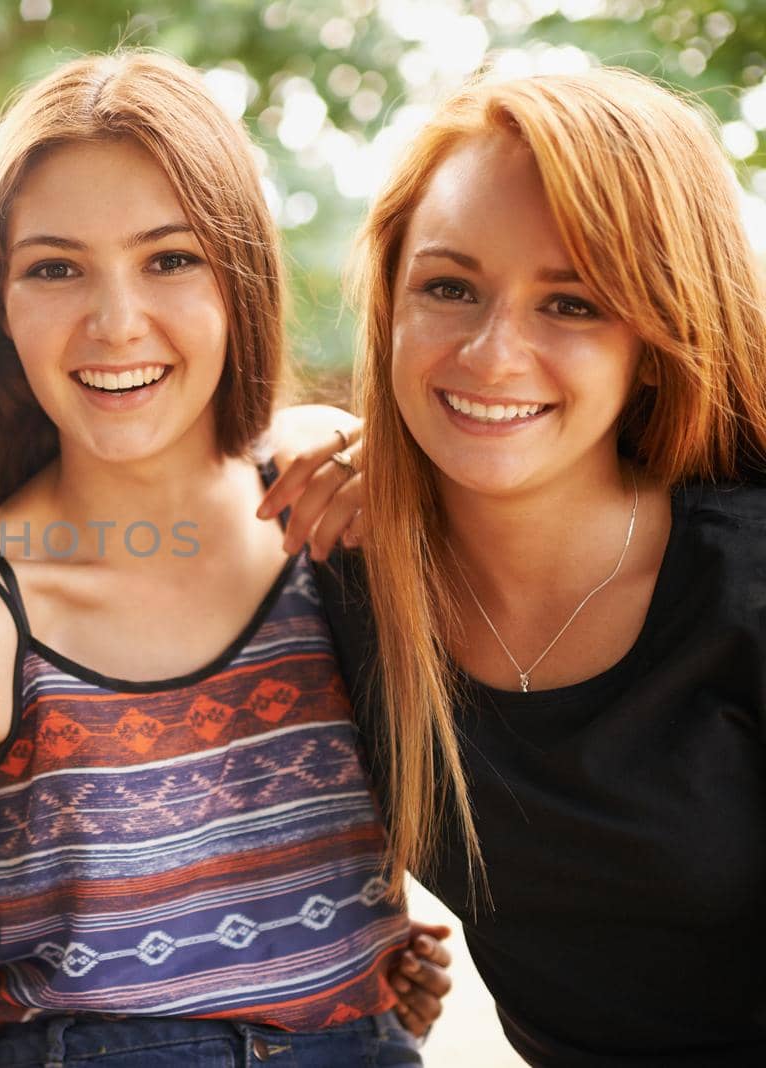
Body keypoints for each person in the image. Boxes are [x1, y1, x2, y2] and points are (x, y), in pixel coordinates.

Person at [0, 51, 446, 1068]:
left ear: (240, 275)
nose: (115, 323)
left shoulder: (326, 498)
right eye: (55, 268)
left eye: (170, 259)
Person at [289, 68, 766, 1065]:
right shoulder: (346, 571)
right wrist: (309, 430)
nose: (492, 353)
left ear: (656, 334)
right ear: (390, 300)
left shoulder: (744, 589)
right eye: (449, 288)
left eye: (572, 303)